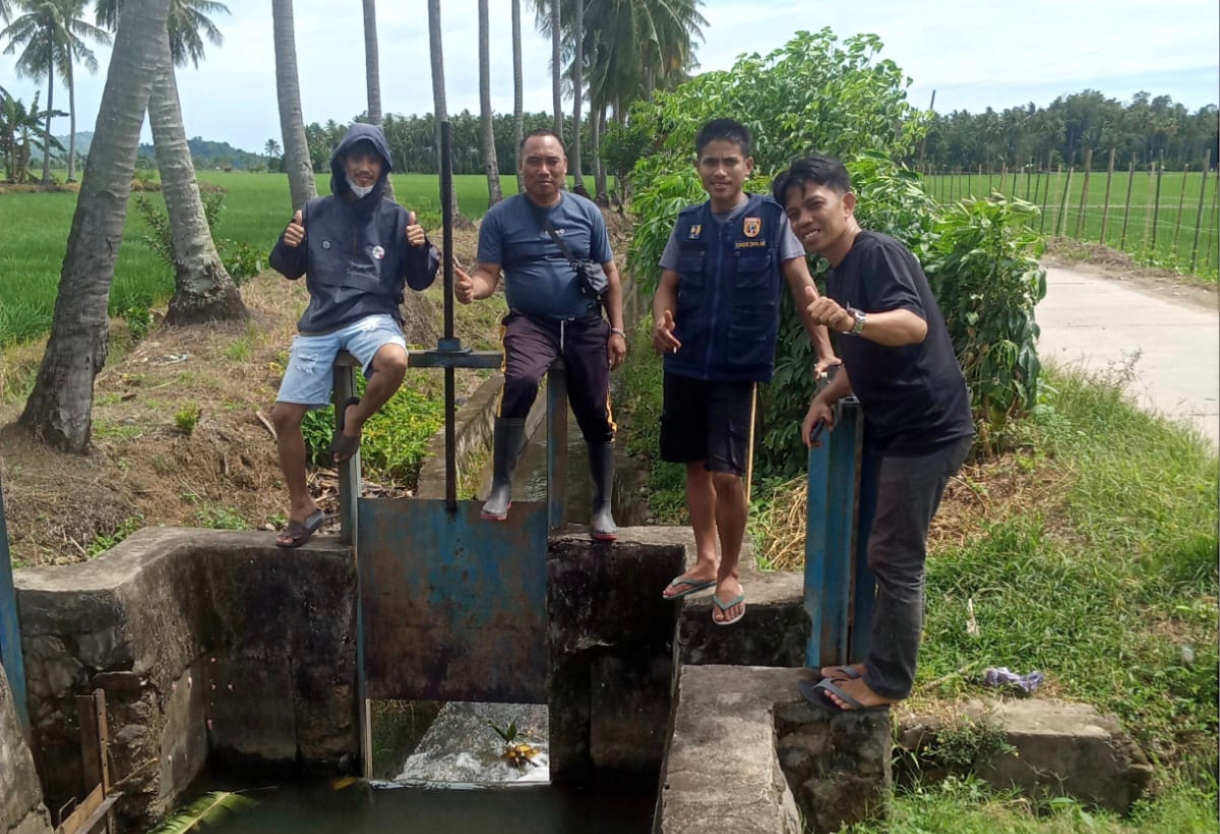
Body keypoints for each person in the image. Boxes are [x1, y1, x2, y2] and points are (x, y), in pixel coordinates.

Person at [772, 153, 974, 711]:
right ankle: (878, 666)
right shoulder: (842, 269)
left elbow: (911, 326)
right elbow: (862, 358)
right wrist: (825, 396)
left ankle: (886, 684)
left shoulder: (878, 253)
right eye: (793, 213)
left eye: (814, 204)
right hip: (901, 426)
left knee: (895, 557)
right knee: (886, 552)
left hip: (927, 427)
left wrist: (852, 320)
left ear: (847, 203)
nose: (804, 219)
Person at [652, 118, 838, 626]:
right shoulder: (687, 223)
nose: (719, 171)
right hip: (686, 360)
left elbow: (802, 287)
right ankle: (705, 559)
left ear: (747, 166)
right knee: (694, 465)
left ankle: (730, 572)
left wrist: (825, 351)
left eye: (729, 162)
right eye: (710, 162)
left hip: (737, 365)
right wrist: (660, 321)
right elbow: (667, 285)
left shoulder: (772, 220)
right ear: (698, 167)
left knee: (728, 474)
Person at [268, 123, 438, 548]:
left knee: (395, 361)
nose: (365, 167)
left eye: (373, 160)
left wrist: (420, 247)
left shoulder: (398, 218)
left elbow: (420, 281)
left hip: (373, 315)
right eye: (357, 158)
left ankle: (354, 420)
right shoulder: (314, 212)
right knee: (284, 417)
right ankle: (301, 507)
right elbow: (288, 269)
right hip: (321, 319)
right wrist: (289, 244)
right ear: (342, 163)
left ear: (383, 167)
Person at [455, 129, 626, 541]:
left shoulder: (587, 213)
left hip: (585, 322)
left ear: (564, 166)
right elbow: (487, 275)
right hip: (531, 322)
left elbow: (610, 274)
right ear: (521, 167)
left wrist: (617, 329)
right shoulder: (501, 217)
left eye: (552, 161)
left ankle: (602, 506)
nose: (544, 169)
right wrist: (471, 289)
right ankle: (502, 485)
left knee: (595, 409)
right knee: (520, 380)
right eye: (534, 161)